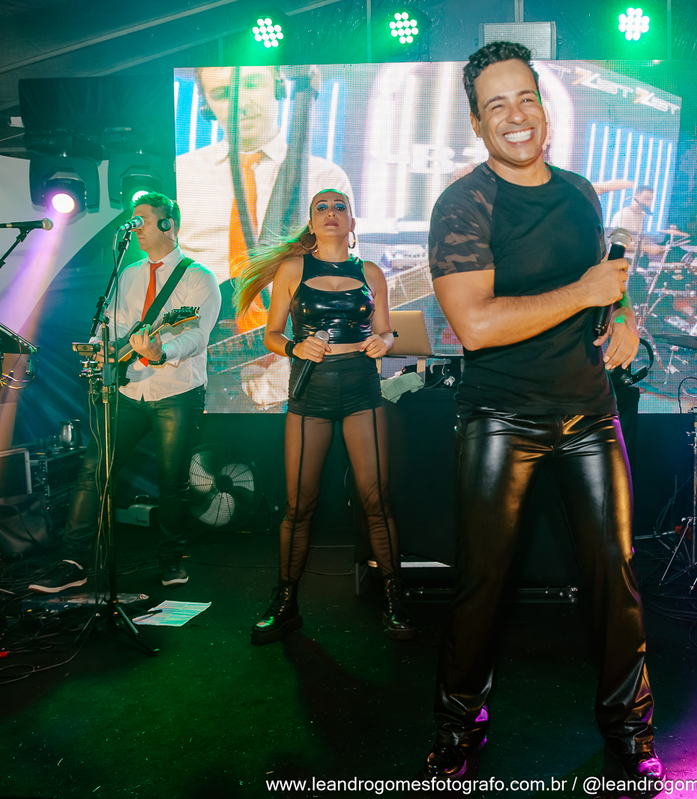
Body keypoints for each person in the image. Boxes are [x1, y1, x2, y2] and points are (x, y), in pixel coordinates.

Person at [421, 42, 662, 786]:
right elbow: (475, 325)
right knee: (483, 582)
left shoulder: (581, 192)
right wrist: (586, 293)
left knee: (614, 576)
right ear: (476, 122)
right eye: (495, 105)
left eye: (525, 97)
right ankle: (459, 725)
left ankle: (630, 729)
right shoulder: (464, 203)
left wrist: (622, 315)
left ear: (543, 106)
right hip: (502, 416)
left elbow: (605, 281)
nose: (515, 115)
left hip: (589, 411)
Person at [234, 188, 413, 644]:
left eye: (340, 207)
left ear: (352, 222)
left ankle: (394, 598)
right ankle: (285, 603)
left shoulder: (370, 272)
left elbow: (387, 331)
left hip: (361, 391)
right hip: (310, 393)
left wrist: (384, 343)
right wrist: (295, 347)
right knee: (299, 505)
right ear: (312, 223)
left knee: (377, 500)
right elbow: (272, 334)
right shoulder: (293, 269)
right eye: (322, 207)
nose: (331, 213)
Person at [29, 193, 220, 593]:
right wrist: (102, 347)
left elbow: (196, 335)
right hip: (128, 388)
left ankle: (170, 558)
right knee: (94, 471)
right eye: (133, 221)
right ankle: (73, 560)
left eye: (143, 220)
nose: (135, 228)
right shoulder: (129, 273)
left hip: (176, 391)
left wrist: (162, 351)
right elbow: (114, 326)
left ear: (168, 225)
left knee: (172, 482)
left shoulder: (199, 278)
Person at [176, 65, 355, 409]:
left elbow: (341, 279)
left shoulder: (324, 179)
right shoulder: (181, 175)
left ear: (278, 86)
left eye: (252, 85)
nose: (240, 104)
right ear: (205, 106)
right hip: (205, 373)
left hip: (299, 367)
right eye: (222, 94)